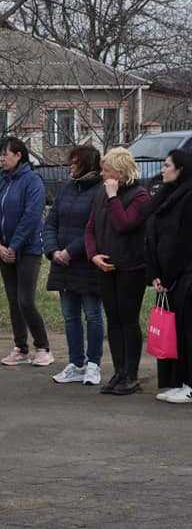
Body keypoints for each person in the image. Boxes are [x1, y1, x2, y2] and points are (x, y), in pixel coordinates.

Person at [85, 147, 150, 396]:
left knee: (128, 319)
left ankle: (131, 374)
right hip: (106, 265)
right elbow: (90, 228)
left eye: (106, 170)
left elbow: (124, 224)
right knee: (113, 320)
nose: (103, 175)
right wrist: (93, 255)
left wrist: (113, 197)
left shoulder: (140, 196)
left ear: (120, 172)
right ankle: (119, 371)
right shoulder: (102, 194)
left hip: (131, 268)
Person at [0, 136, 53, 367]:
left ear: (19, 155)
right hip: (4, 250)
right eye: (1, 154)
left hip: (28, 250)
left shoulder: (32, 181)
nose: (2, 158)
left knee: (25, 300)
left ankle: (43, 347)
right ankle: (20, 347)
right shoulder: (1, 183)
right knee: (13, 300)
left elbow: (31, 216)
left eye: (5, 154)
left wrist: (14, 246)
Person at [44, 145, 104, 386]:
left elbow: (96, 228)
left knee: (92, 315)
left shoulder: (100, 191)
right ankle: (75, 363)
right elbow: (51, 223)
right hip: (62, 264)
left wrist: (71, 251)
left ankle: (93, 364)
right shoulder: (66, 188)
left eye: (75, 162)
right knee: (70, 316)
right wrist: (53, 251)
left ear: (87, 164)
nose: (70, 166)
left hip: (86, 264)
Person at [145, 149, 192, 403]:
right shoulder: (164, 196)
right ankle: (175, 381)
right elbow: (152, 235)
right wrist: (155, 274)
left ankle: (189, 383)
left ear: (181, 169)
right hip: (166, 277)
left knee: (187, 331)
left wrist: (170, 275)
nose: (162, 169)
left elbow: (184, 242)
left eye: (167, 165)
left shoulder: (189, 197)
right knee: (172, 331)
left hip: (185, 276)